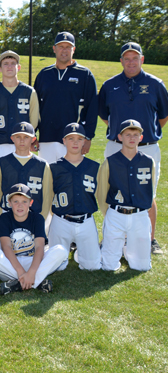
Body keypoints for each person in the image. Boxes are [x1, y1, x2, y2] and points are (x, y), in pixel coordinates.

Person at [98, 42, 168, 255]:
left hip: (147, 148)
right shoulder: (110, 85)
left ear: (142, 59)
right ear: (121, 61)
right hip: (116, 147)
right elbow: (103, 114)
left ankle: (150, 239)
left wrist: (138, 138)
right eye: (126, 58)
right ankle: (111, 238)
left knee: (148, 192)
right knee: (112, 191)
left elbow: (163, 116)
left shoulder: (156, 84)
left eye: (134, 58)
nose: (130, 62)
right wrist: (123, 136)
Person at [0, 50, 39, 240]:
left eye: (13, 63)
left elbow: (33, 121)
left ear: (19, 67)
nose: (9, 66)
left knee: (25, 191)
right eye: (5, 63)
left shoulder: (29, 92)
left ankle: (26, 234)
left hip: (23, 147)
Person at [0, 184, 67, 295]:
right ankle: (36, 281)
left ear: (30, 203)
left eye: (24, 201)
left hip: (33, 261)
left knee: (61, 250)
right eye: (16, 202)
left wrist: (32, 272)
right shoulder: (4, 218)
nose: (20, 206)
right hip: (11, 263)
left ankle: (18, 284)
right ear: (9, 203)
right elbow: (6, 247)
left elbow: (39, 247)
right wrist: (20, 271)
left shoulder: (37, 218)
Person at [96, 120, 155, 271]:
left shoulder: (148, 162)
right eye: (128, 134)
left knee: (142, 267)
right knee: (108, 267)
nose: (132, 138)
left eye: (136, 135)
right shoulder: (110, 162)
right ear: (120, 137)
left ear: (141, 138)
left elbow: (150, 190)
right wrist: (109, 214)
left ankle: (127, 249)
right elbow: (102, 192)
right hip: (116, 214)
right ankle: (117, 247)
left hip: (140, 216)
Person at [34, 32, 98, 163]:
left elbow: (92, 108)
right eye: (61, 46)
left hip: (73, 139)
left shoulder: (84, 74)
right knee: (48, 180)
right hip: (47, 138)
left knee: (71, 181)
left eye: (68, 47)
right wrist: (32, 134)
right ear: (54, 49)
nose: (64, 50)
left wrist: (88, 136)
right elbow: (34, 107)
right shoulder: (44, 74)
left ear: (73, 49)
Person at [48, 123, 101, 271]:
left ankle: (81, 252)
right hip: (61, 220)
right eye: (71, 138)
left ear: (85, 141)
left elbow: (101, 194)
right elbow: (48, 196)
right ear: (64, 141)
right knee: (57, 267)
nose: (75, 142)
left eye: (79, 138)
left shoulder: (94, 167)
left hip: (86, 221)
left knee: (92, 267)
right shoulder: (53, 167)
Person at [0, 122, 52, 239]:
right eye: (18, 137)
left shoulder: (42, 165)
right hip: (8, 215)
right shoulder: (2, 163)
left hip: (34, 216)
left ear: (33, 139)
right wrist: (3, 216)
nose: (22, 140)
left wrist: (41, 219)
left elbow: (47, 195)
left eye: (26, 137)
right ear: (12, 138)